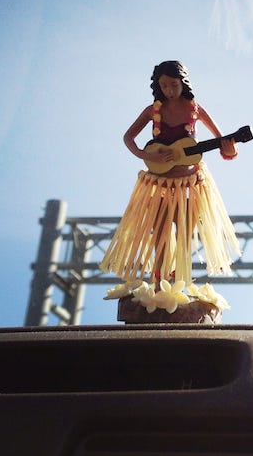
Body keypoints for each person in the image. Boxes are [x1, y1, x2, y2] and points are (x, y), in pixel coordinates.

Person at [99, 60, 241, 287]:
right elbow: (128, 137)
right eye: (164, 86)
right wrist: (145, 155)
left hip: (190, 184)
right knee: (161, 234)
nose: (169, 90)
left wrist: (230, 147)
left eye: (174, 85)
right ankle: (159, 284)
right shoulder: (152, 110)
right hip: (159, 184)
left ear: (183, 82)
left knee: (184, 234)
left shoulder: (195, 109)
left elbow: (222, 140)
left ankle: (179, 282)